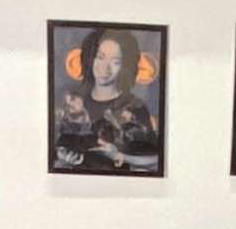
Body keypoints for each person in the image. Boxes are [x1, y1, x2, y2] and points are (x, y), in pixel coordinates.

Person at [56, 29, 161, 175]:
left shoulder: (135, 106)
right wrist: (63, 157)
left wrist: (119, 156)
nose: (105, 68)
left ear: (125, 66)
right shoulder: (74, 103)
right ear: (90, 58)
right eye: (100, 57)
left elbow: (156, 159)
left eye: (116, 62)